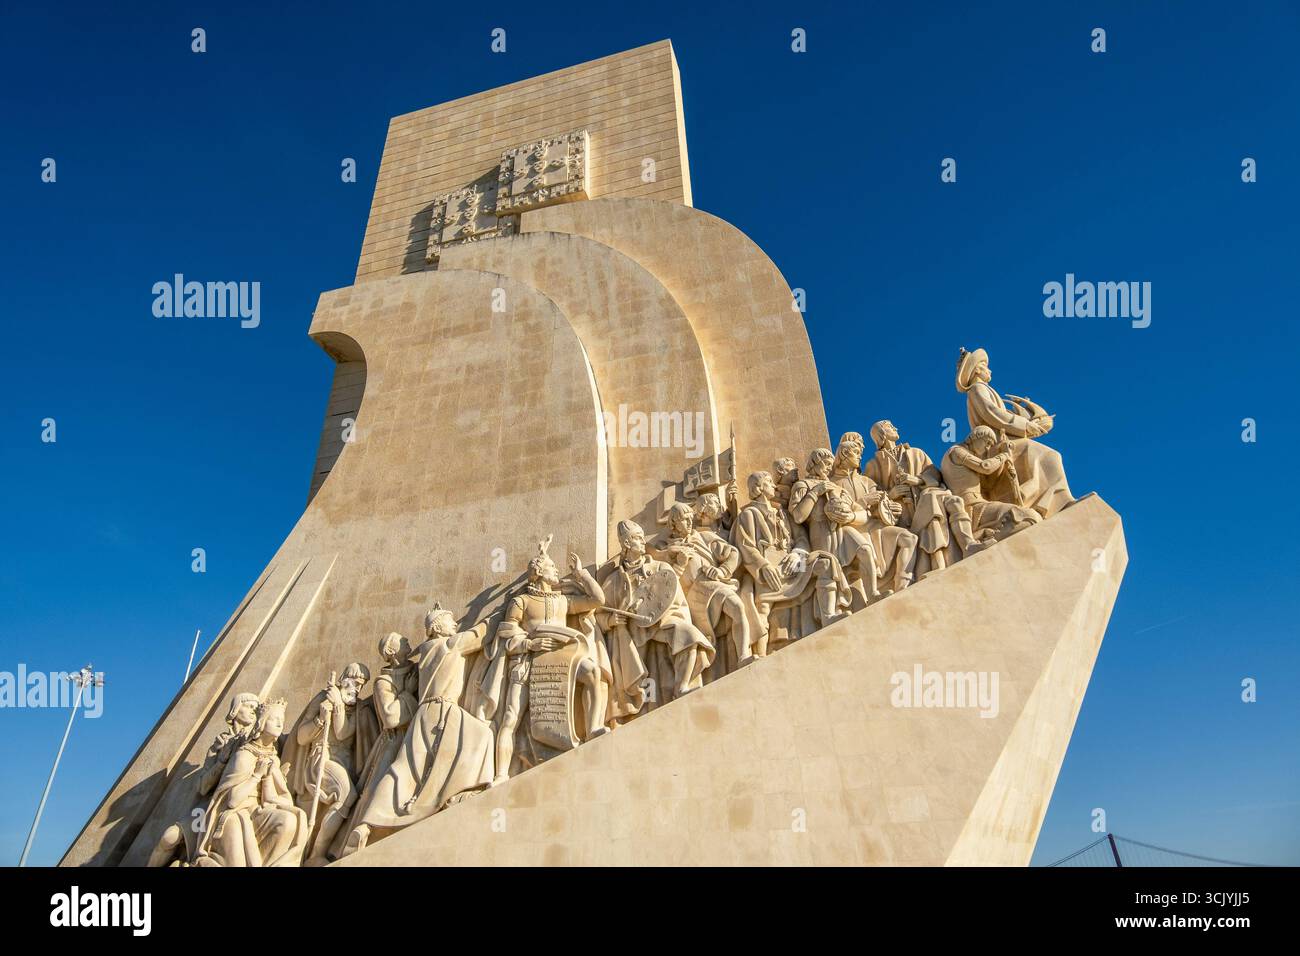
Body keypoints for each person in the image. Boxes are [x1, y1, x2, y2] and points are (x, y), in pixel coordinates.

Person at [340, 606, 496, 855]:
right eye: (449, 621)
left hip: (424, 714)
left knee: (406, 767)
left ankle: (367, 824)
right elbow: (481, 633)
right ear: (437, 628)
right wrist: (505, 610)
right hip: (443, 709)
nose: (455, 624)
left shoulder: (424, 653)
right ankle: (467, 788)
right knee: (483, 735)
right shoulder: (449, 644)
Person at [478, 539, 611, 784]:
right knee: (510, 716)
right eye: (552, 567)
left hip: (562, 657)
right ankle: (500, 775)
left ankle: (593, 728)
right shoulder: (522, 602)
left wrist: (581, 574)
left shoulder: (562, 601)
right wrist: (530, 644)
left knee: (592, 672)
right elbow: (506, 634)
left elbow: (597, 600)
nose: (557, 571)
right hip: (529, 659)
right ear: (538, 571)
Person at [599, 520, 714, 714]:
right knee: (637, 672)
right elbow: (600, 612)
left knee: (689, 635)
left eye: (643, 536)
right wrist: (610, 621)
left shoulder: (660, 568)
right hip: (632, 633)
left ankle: (682, 686)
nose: (643, 541)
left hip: (661, 621)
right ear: (626, 544)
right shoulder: (613, 581)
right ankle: (639, 704)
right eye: (637, 538)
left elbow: (673, 596)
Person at [732, 470, 851, 651]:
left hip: (794, 564)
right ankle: (758, 653)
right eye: (769, 482)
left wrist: (797, 554)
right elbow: (745, 545)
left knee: (825, 564)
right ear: (758, 488)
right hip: (769, 568)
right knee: (762, 605)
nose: (774, 486)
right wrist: (763, 566)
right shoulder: (748, 514)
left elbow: (801, 538)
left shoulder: (783, 513)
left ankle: (829, 616)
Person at [956, 347, 1075, 517]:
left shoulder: (984, 389)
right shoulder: (977, 389)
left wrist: (1027, 420)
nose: (989, 369)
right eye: (984, 365)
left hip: (1007, 440)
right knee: (1050, 456)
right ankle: (1057, 502)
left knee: (1049, 457)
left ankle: (1055, 500)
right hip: (997, 444)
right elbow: (992, 413)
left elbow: (999, 415)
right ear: (976, 370)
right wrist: (1025, 426)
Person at [194, 697, 309, 867]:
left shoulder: (272, 758)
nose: (280, 724)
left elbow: (281, 797)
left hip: (258, 812)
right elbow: (232, 801)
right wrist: (257, 775)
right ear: (262, 723)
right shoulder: (244, 755)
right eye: (274, 719)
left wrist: (269, 786)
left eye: (282, 720)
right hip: (234, 815)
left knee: (288, 820)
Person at [283, 662, 378, 865]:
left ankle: (320, 851)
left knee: (348, 798)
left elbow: (343, 732)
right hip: (323, 757)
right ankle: (318, 853)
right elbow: (301, 737)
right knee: (347, 795)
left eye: (361, 685)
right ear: (344, 679)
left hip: (345, 763)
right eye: (354, 682)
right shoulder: (323, 697)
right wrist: (320, 719)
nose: (357, 688)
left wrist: (337, 707)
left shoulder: (358, 708)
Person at [865, 419, 984, 576]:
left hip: (926, 497)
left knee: (950, 501)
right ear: (880, 434)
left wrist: (917, 480)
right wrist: (891, 494)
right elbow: (871, 499)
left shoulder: (916, 453)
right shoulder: (873, 465)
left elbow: (934, 475)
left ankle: (968, 544)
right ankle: (938, 564)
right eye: (889, 426)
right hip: (904, 515)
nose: (895, 427)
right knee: (931, 504)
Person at [652, 502, 753, 677]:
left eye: (691, 518)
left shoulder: (703, 537)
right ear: (674, 523)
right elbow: (661, 579)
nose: (690, 522)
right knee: (698, 641)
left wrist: (722, 570)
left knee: (737, 606)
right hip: (691, 598)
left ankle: (744, 655)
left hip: (712, 584)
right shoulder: (665, 549)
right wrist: (676, 560)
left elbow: (733, 553)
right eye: (684, 519)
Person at [789, 447, 883, 605]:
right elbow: (798, 516)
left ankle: (873, 593)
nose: (828, 467)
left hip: (842, 529)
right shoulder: (802, 485)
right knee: (830, 568)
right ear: (814, 464)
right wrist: (815, 492)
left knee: (865, 549)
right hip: (820, 532)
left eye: (830, 464)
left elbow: (861, 513)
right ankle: (832, 610)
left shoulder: (837, 488)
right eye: (825, 463)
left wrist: (850, 516)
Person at [940, 427, 1042, 542]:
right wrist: (1004, 455)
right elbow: (985, 467)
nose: (987, 448)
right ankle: (983, 539)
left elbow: (988, 485)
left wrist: (1004, 463)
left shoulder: (963, 458)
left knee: (1032, 517)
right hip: (972, 507)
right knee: (1029, 517)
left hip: (978, 505)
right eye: (987, 442)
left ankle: (983, 536)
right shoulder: (956, 451)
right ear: (975, 437)